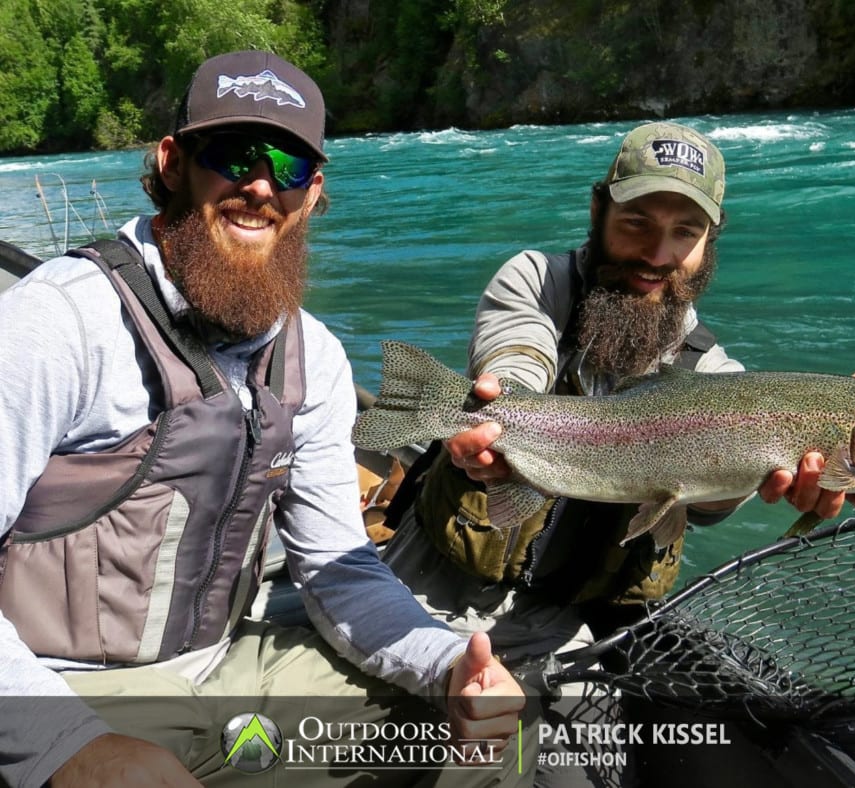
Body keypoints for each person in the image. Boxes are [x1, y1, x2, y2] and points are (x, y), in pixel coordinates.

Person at [0, 50, 531, 788]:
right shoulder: (56, 321)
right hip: (54, 688)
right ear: (174, 161)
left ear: (312, 193)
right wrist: (68, 748)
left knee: (495, 729)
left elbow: (337, 572)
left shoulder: (315, 356)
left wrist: (447, 664)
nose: (258, 185)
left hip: (226, 668)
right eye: (232, 154)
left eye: (285, 165)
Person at [381, 121, 855, 786]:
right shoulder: (535, 280)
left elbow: (708, 504)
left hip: (565, 633)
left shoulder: (713, 373)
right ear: (598, 210)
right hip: (430, 598)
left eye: (685, 232)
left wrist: (777, 474)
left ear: (710, 241)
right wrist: (497, 410)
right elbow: (518, 359)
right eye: (637, 222)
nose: (657, 252)